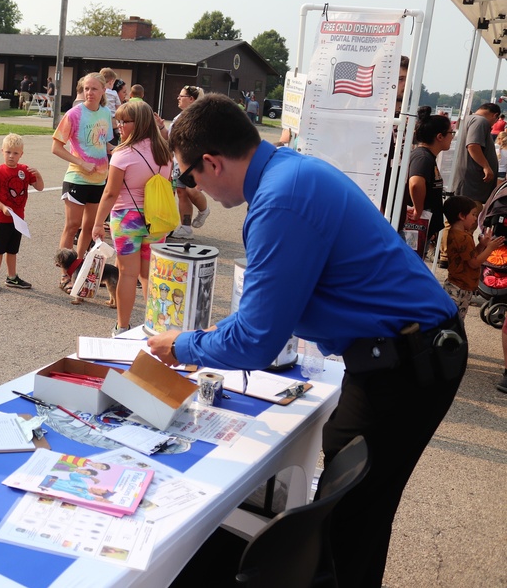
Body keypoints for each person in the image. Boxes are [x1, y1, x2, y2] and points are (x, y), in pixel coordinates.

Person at [145, 93, 467, 588]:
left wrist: (183, 346)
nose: (192, 187)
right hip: (397, 353)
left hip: (408, 361)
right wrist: (220, 335)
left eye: (188, 178)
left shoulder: (280, 201)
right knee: (349, 486)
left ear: (211, 162)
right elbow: (275, 312)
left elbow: (256, 339)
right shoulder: (288, 173)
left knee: (352, 520)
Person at [91, 100, 172, 335]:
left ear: (139, 123)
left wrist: (98, 223)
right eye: (118, 120)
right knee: (150, 275)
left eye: (124, 121)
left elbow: (110, 192)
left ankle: (122, 326)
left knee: (127, 274)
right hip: (157, 220)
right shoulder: (164, 152)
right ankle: (155, 325)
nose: (119, 126)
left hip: (127, 218)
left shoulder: (123, 154)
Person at [52, 72, 113, 273]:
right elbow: (56, 147)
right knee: (72, 226)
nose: (89, 93)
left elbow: (104, 143)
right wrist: (81, 162)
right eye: (86, 88)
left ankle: (78, 268)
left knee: (89, 228)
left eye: (94, 88)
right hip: (77, 178)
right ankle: (65, 272)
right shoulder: (74, 114)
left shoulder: (105, 113)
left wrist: (120, 149)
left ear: (104, 90)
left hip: (99, 181)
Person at [0, 133, 43, 293]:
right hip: (1, 218)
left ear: (21, 154)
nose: (11, 156)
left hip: (17, 219)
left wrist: (38, 175)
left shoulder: (24, 171)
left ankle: (12, 277)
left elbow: (39, 187)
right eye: (8, 152)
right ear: (2, 151)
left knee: (12, 250)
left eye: (15, 153)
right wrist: (2, 207)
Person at [442, 195, 503, 318]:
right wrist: (490, 248)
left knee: (451, 320)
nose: (475, 219)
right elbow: (474, 263)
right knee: (455, 321)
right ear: (462, 216)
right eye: (473, 214)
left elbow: (469, 256)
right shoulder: (463, 237)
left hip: (457, 285)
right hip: (460, 287)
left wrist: (481, 245)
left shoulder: (457, 233)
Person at [402, 106, 454, 248]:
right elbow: (416, 183)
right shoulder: (423, 157)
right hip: (417, 226)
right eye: (451, 132)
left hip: (424, 226)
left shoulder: (427, 156)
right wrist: (418, 209)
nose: (452, 136)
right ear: (439, 136)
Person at [168, 85, 210, 240]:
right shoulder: (179, 117)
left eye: (182, 96)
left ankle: (204, 210)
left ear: (191, 99)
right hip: (178, 161)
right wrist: (160, 126)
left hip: (193, 162)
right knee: (181, 193)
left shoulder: (200, 118)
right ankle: (186, 227)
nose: (178, 98)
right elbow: (171, 137)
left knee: (192, 191)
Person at [451, 102, 502, 203]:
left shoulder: (469, 119)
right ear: (495, 115)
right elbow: (473, 145)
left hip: (468, 178)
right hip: (474, 181)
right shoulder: (480, 121)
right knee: (472, 210)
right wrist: (486, 166)